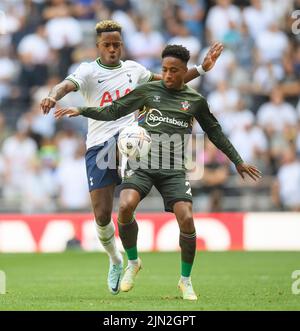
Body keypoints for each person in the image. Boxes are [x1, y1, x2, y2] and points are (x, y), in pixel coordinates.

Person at [54, 44, 261, 300]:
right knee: (126, 206)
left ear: (184, 71)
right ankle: (132, 262)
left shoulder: (195, 101)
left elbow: (215, 133)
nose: (168, 75)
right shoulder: (148, 91)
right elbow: (114, 110)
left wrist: (237, 161)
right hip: (141, 165)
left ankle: (185, 280)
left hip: (173, 170)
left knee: (186, 219)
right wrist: (83, 110)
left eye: (174, 71)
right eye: (164, 69)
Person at [40, 20, 223, 296]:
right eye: (107, 45)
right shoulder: (88, 71)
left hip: (131, 137)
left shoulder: (134, 70)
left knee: (127, 196)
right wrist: (52, 96)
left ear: (122, 45)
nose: (113, 49)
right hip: (99, 145)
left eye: (117, 44)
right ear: (98, 46)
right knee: (102, 217)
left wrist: (201, 68)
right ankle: (116, 259)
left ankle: (136, 255)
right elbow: (65, 86)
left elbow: (170, 83)